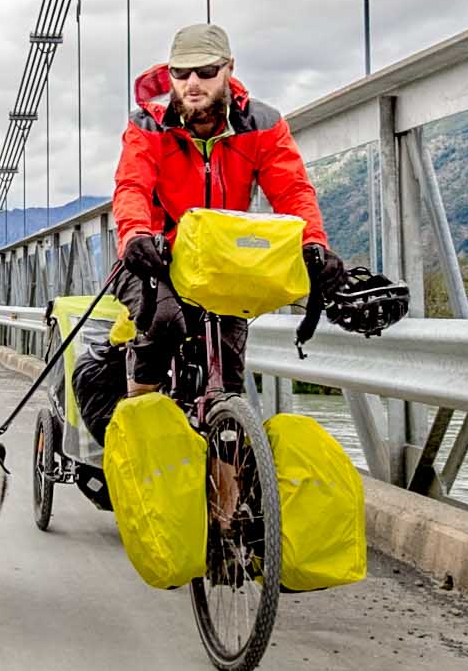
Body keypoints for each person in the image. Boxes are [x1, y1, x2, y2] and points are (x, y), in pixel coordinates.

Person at [111, 21, 346, 403]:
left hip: (225, 261)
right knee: (164, 323)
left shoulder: (262, 124)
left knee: (230, 377)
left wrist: (314, 243)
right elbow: (132, 186)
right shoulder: (147, 125)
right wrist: (135, 234)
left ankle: (228, 443)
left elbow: (292, 191)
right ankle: (138, 415)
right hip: (154, 257)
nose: (192, 83)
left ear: (229, 69)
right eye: (180, 73)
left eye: (206, 72)